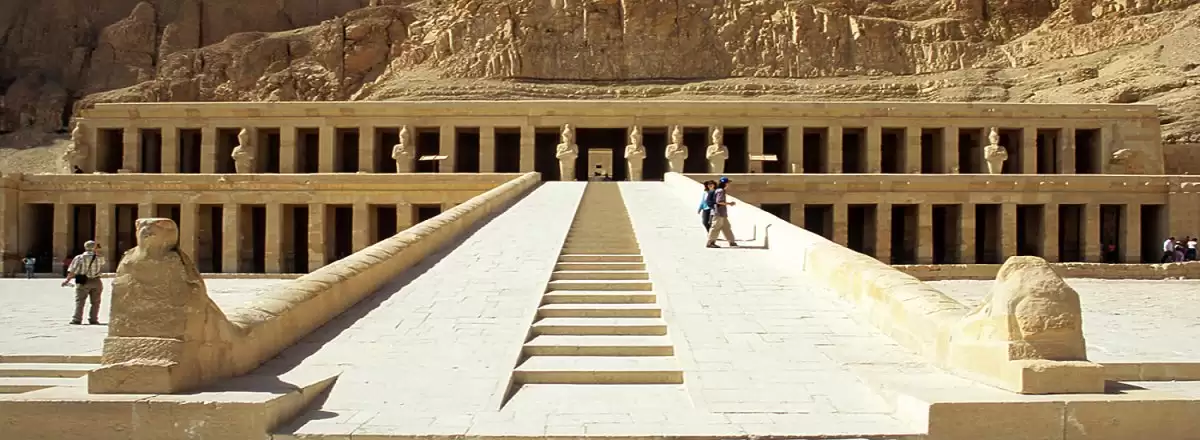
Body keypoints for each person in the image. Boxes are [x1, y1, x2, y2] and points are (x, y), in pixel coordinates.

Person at [61, 240, 107, 325]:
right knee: (96, 302)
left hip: (83, 281)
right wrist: (97, 252)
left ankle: (77, 319)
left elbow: (73, 271)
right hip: (96, 281)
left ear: (85, 247)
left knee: (80, 301)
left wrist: (67, 280)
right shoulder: (99, 257)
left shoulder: (79, 257)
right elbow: (102, 263)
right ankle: (93, 319)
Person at [705, 176, 738, 248]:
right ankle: (710, 243)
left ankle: (731, 242)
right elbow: (719, 201)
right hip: (718, 213)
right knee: (715, 228)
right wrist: (729, 203)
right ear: (725, 183)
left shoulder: (719, 190)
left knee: (726, 227)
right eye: (727, 183)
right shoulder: (720, 191)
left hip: (722, 213)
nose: (728, 184)